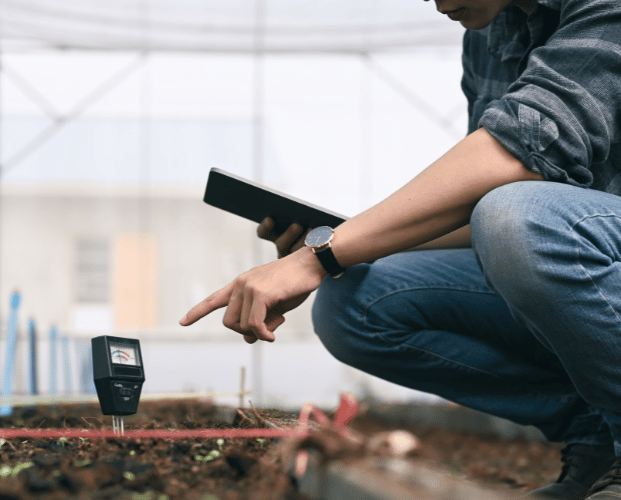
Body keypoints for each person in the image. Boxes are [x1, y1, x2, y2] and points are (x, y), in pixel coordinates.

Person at [179, 0, 621, 498]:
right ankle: (599, 436)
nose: (440, 4)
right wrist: (335, 248)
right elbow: (479, 201)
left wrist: (320, 254)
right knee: (355, 302)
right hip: (577, 252)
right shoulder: (487, 30)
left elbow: (521, 155)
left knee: (519, 216)